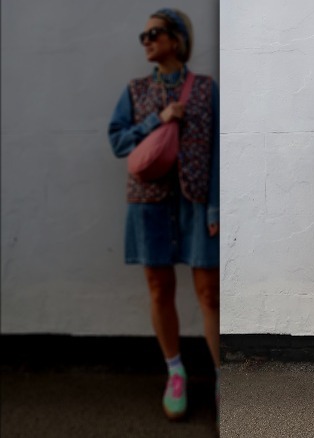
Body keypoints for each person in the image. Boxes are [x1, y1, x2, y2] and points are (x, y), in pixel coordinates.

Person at [108, 8, 220, 421]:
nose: (147, 41)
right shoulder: (136, 91)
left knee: (209, 291)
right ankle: (176, 372)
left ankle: (221, 373)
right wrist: (158, 119)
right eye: (144, 36)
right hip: (149, 202)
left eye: (154, 33)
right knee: (159, 287)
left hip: (196, 201)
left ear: (177, 39)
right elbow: (118, 141)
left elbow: (217, 151)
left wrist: (215, 205)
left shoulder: (207, 89)